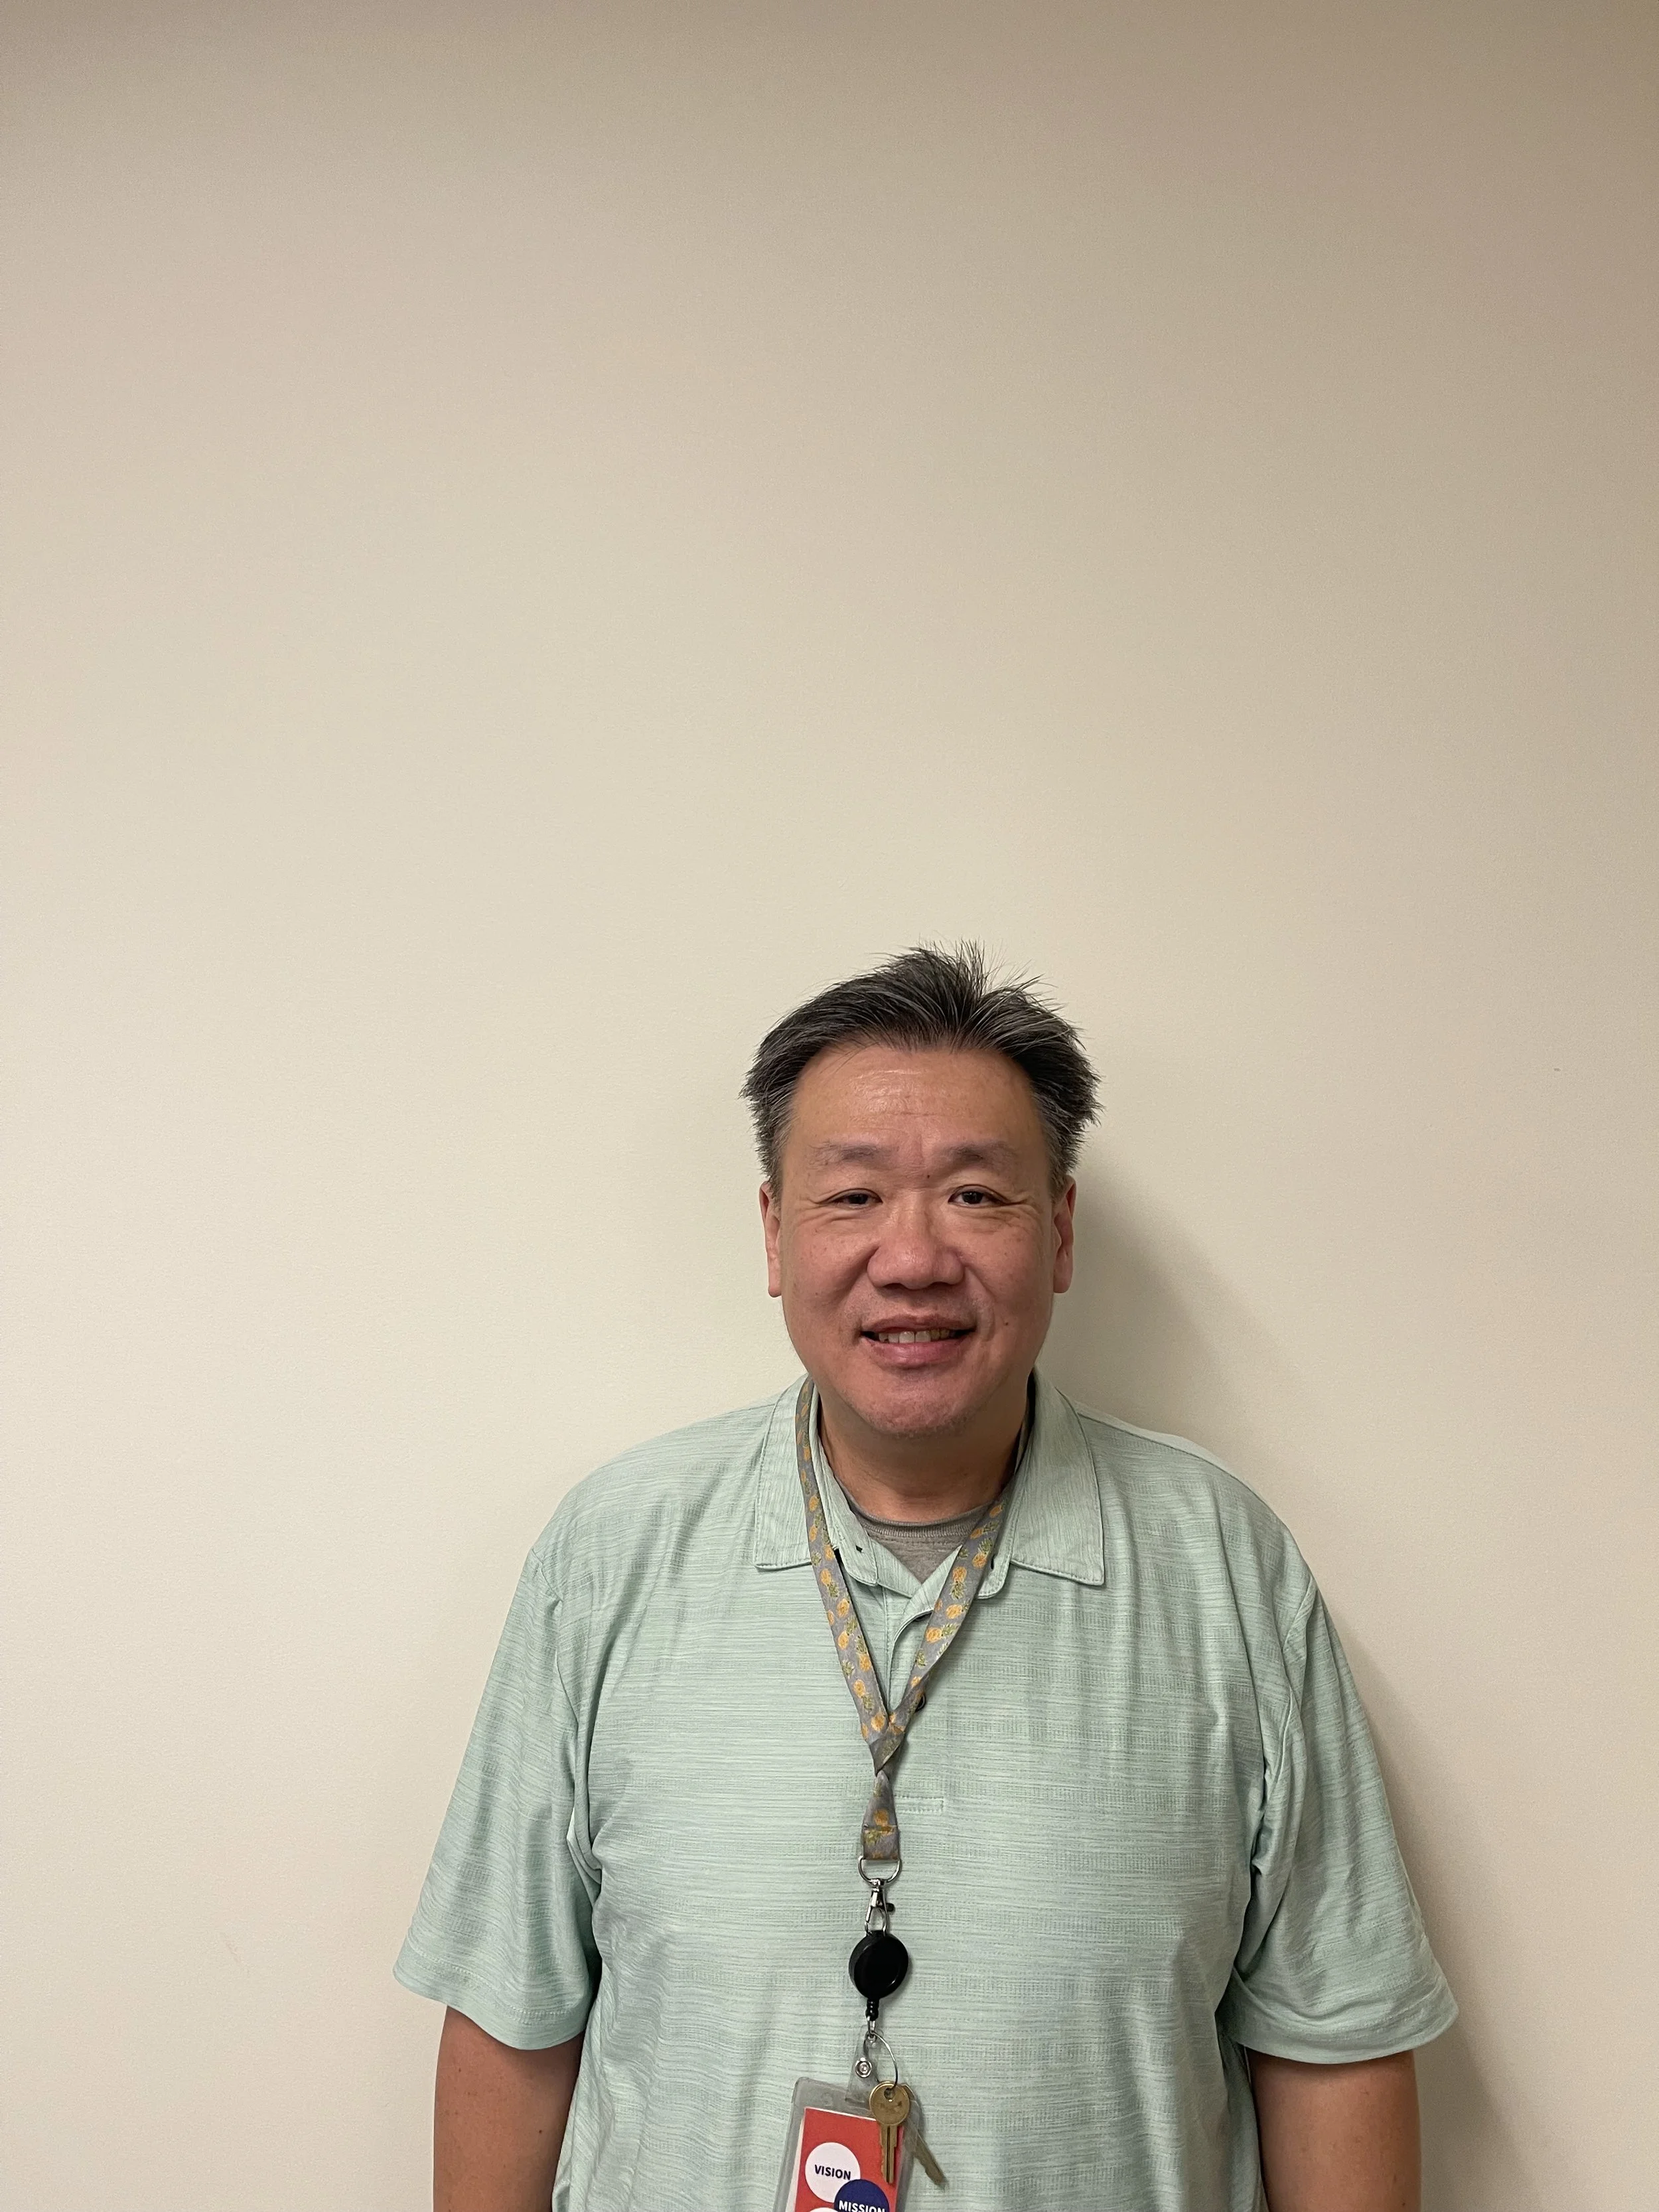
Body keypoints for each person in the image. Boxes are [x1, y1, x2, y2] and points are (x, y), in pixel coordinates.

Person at [396, 943, 1455, 2212]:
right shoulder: (613, 1553)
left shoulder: (1222, 1563)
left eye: (975, 1196)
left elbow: (1334, 2043)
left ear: (1057, 1231)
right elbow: (513, 2021)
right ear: (775, 1236)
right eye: (851, 1198)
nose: (912, 1258)